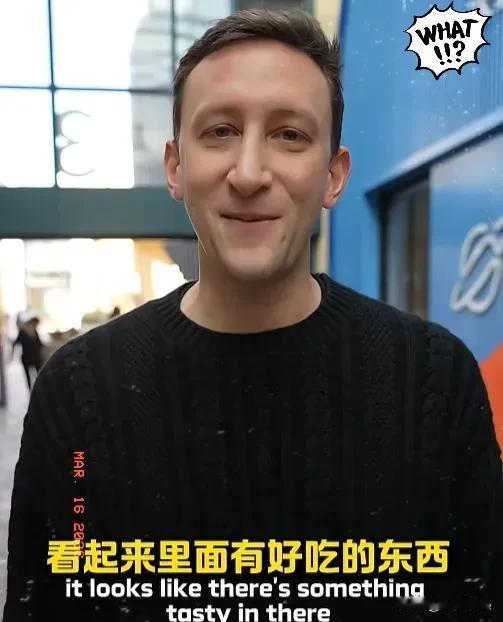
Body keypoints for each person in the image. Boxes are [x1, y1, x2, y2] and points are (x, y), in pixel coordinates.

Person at [3, 9, 502, 622]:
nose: (248, 174)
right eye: (219, 131)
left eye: (289, 135)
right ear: (175, 167)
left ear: (334, 175)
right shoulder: (79, 391)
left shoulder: (433, 379)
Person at [10, 313, 43, 391]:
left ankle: (38, 389)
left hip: (36, 357)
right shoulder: (23, 332)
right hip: (26, 357)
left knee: (39, 374)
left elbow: (39, 344)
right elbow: (16, 343)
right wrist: (11, 354)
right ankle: (30, 390)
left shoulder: (35, 331)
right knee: (28, 376)